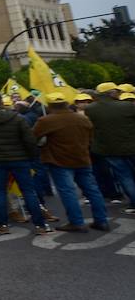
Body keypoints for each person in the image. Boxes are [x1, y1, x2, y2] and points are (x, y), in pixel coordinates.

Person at [33, 93, 110, 232]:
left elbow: (33, 138)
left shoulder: (46, 121)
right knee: (93, 191)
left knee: (68, 192)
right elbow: (91, 138)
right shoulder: (82, 119)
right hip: (82, 158)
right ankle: (102, 220)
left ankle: (76, 222)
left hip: (59, 161)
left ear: (49, 105)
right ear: (67, 103)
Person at [0, 91, 48, 233]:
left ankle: (3, 224)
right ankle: (40, 225)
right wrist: (31, 156)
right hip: (19, 158)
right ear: (1, 102)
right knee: (28, 191)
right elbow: (29, 139)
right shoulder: (17, 118)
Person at [84, 82, 135, 214]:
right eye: (116, 91)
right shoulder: (127, 106)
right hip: (131, 146)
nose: (119, 93)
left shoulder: (90, 109)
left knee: (124, 176)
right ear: (111, 93)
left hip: (108, 148)